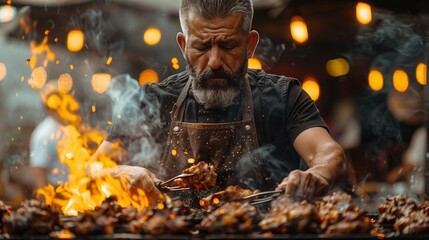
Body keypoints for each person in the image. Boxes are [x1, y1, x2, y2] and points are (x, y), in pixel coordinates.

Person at [93, 0, 345, 204]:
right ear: (183, 45)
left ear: (250, 45)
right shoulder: (151, 101)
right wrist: (119, 174)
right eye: (201, 47)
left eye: (228, 45)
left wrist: (317, 173)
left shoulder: (283, 96)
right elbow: (93, 170)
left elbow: (326, 152)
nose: (214, 61)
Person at [29, 81, 81, 190]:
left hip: (75, 191)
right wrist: (46, 203)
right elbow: (38, 171)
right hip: (58, 192)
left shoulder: (70, 128)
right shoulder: (44, 134)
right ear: (49, 109)